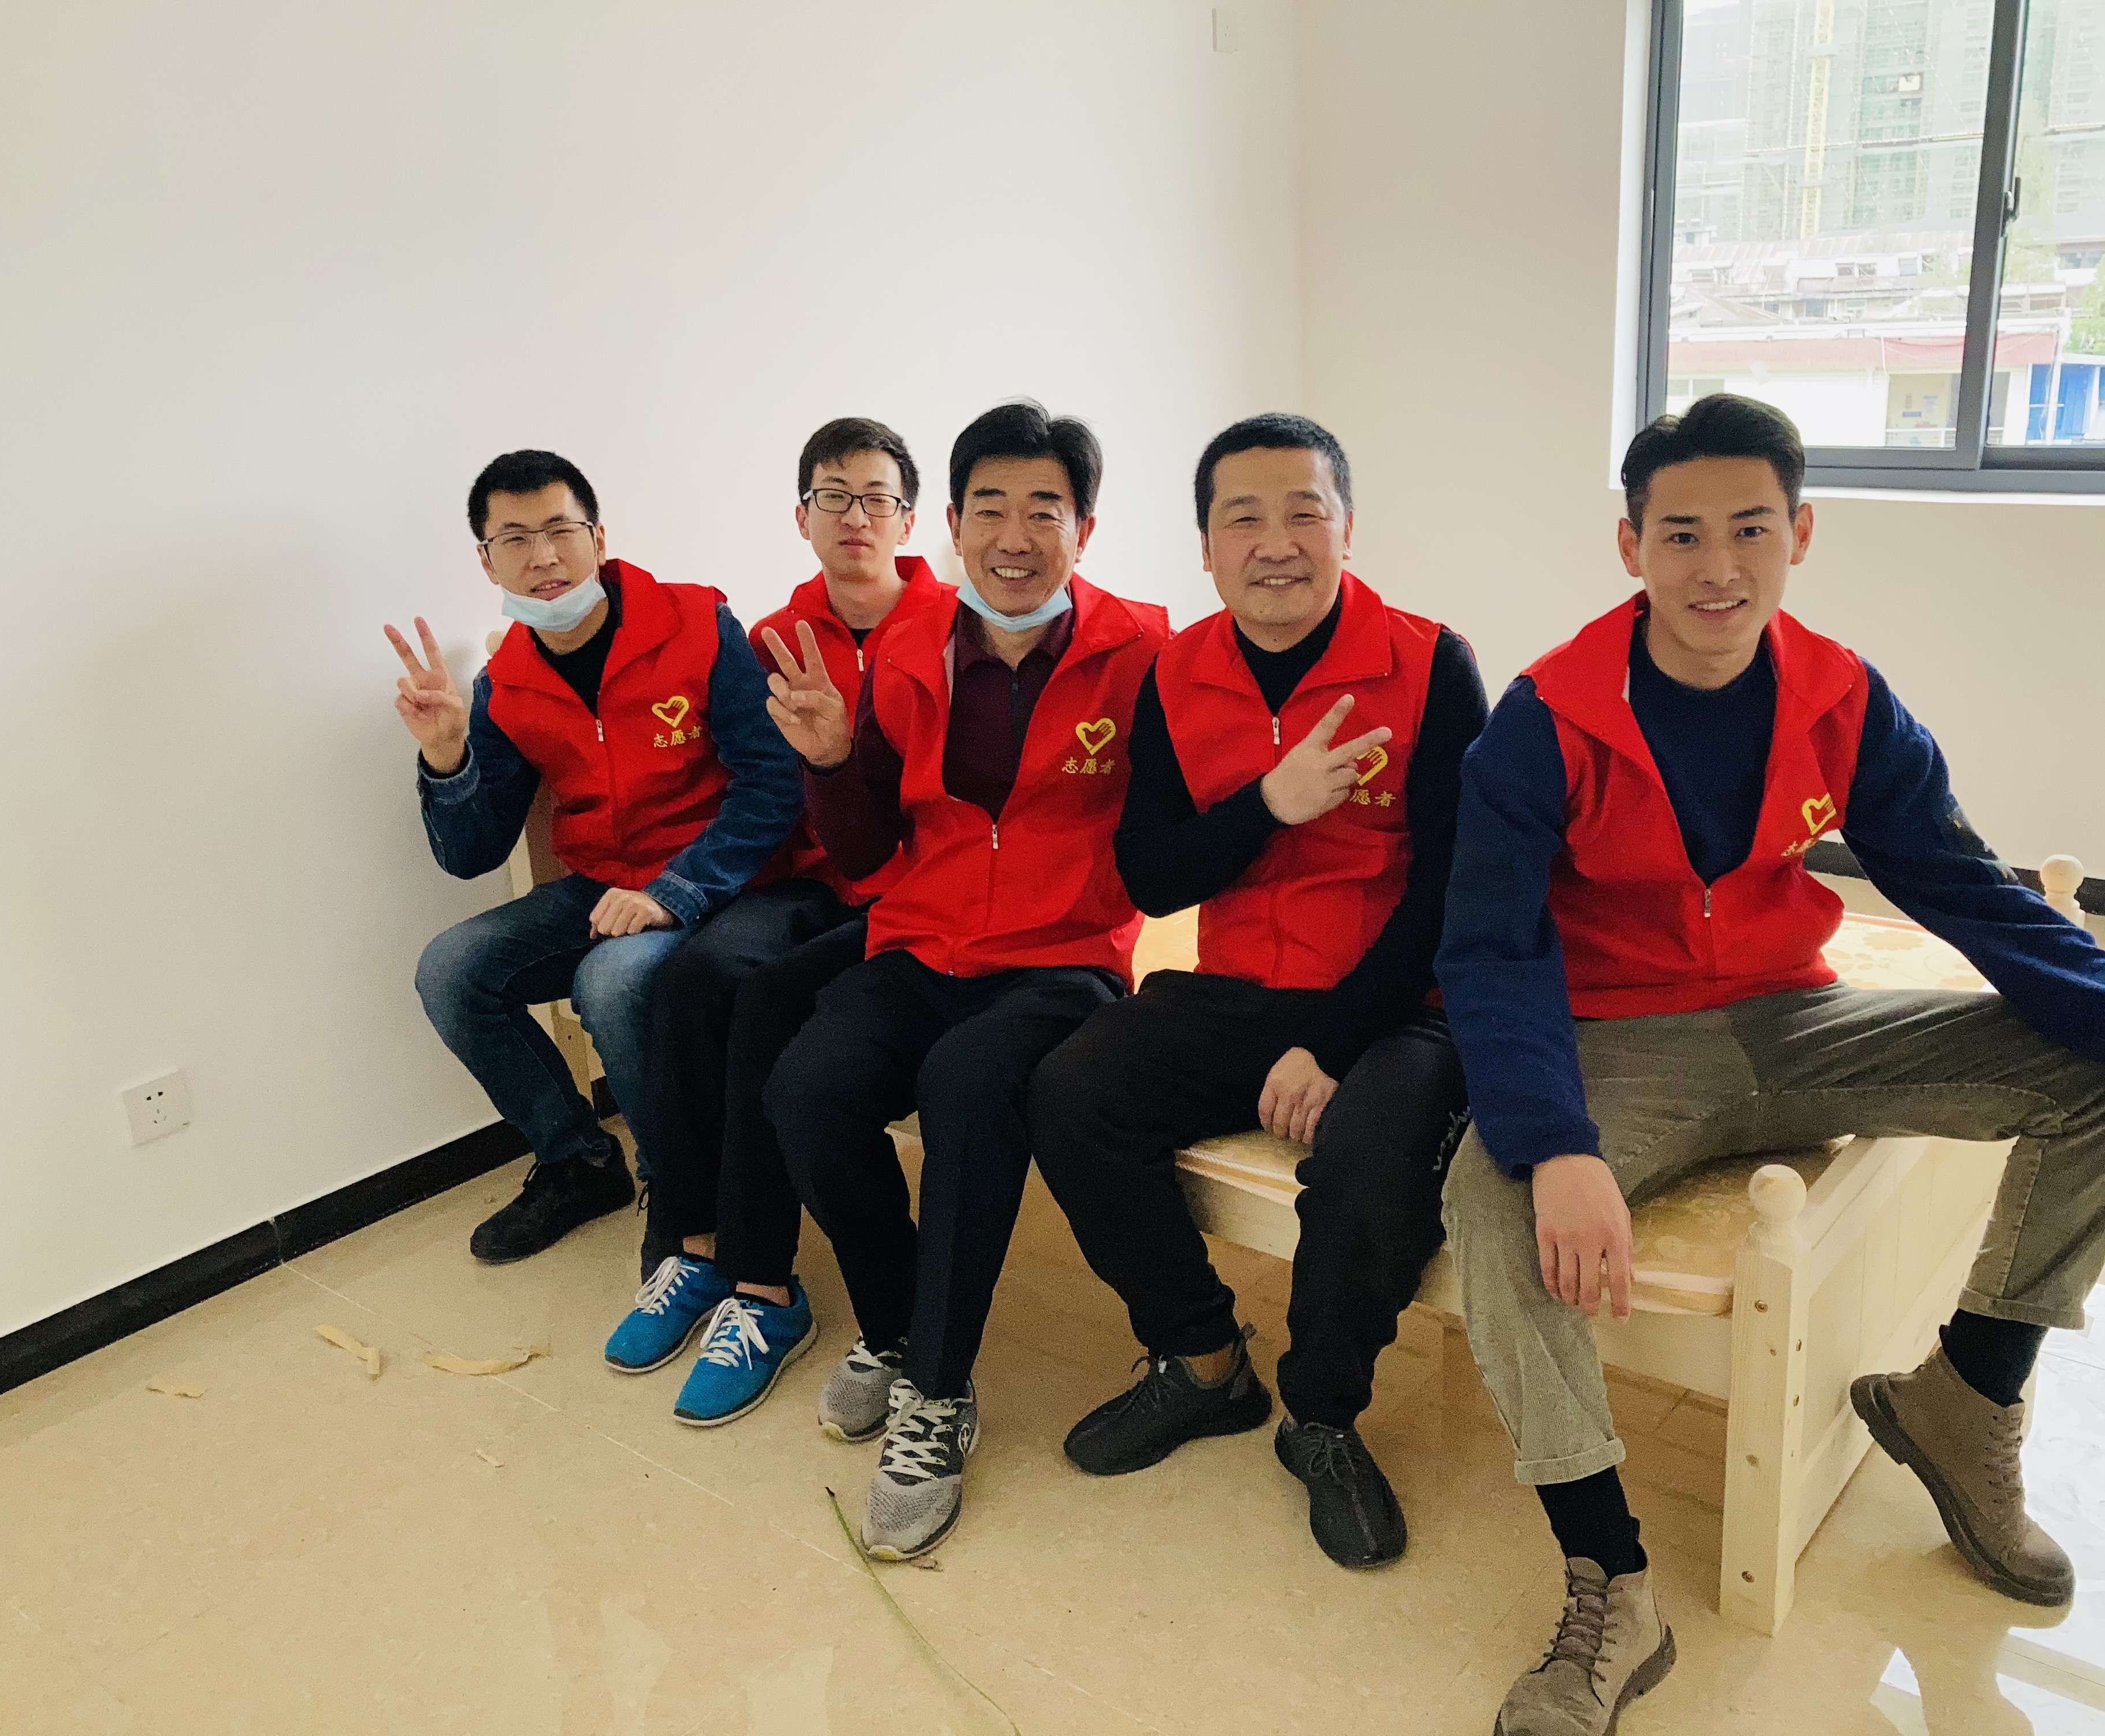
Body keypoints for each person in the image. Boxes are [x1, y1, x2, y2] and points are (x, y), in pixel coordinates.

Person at [1437, 394, 2105, 1736]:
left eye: (1751, 529)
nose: (1719, 566)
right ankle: (1612, 1580)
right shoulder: (1544, 718)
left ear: (1800, 533)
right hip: (1622, 1042)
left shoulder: (1842, 697)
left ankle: (1968, 1398)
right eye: (1683, 535)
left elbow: (1962, 884)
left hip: (1794, 1019)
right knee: (1495, 1196)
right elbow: (1490, 949)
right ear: (1630, 546)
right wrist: (1556, 1142)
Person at [1026, 413, 1488, 1568]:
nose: (1275, 543)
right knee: (1073, 1091)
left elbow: (1453, 895)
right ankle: (1202, 1361)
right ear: (1206, 546)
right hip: (1236, 984)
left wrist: (1331, 1044)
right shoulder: (1175, 673)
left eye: (1303, 513)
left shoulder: (1432, 663)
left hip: (1399, 1005)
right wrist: (1270, 806)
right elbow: (1150, 872)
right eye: (1244, 518)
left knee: (1371, 1161)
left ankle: (1320, 1419)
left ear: (1347, 528)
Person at [761, 401, 1170, 1559]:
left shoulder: (1145, 651)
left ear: (1085, 529)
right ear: (950, 524)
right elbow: (863, 854)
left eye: (1045, 509)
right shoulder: (908, 648)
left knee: (967, 1085)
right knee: (806, 1091)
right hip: (922, 939)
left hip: (1063, 958)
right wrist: (832, 761)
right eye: (989, 508)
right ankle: (897, 1327)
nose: (1014, 536)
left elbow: (1183, 818)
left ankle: (937, 1392)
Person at [602, 418, 951, 1428]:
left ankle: (765, 1287)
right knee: (691, 979)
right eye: (833, 497)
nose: (856, 517)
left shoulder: (955, 630)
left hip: (910, 890)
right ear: (802, 518)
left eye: (877, 498)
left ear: (909, 520)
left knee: (768, 1005)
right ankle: (695, 1247)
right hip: (807, 881)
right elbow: (754, 784)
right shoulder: (770, 640)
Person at [389, 450, 801, 1265]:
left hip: (721, 881)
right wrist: (446, 757)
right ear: (487, 561)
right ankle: (577, 1162)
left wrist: (674, 892)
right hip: (603, 887)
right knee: (451, 971)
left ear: (599, 538)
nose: (542, 557)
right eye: (514, 539)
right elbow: (472, 854)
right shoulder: (506, 683)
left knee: (609, 981)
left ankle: (683, 1195)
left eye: (560, 530)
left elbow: (772, 786)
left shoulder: (697, 623)